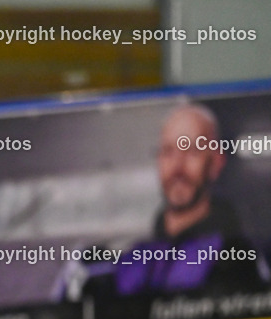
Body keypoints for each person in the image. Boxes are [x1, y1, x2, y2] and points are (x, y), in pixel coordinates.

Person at [66, 103, 268, 301]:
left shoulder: (238, 257)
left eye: (192, 151)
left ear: (216, 163)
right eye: (168, 152)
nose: (177, 167)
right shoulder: (130, 256)